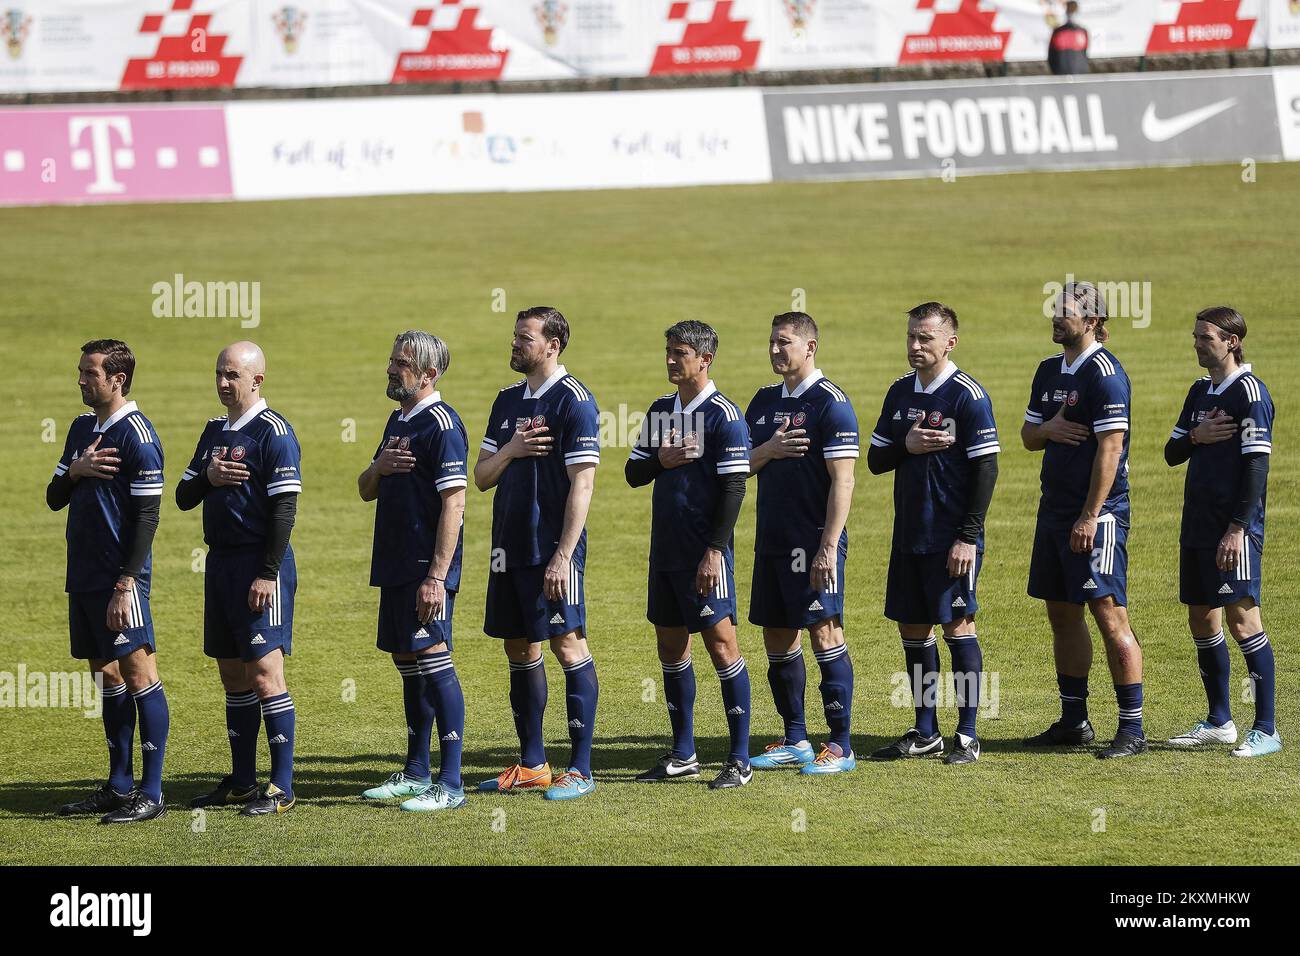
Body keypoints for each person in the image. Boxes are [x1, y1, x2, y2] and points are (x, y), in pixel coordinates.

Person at [473, 307, 601, 801]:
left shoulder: (575, 402)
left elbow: (583, 484)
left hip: (552, 550)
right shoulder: (506, 402)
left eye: (524, 338)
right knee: (519, 645)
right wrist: (513, 449)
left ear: (553, 345)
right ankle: (532, 763)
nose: (514, 344)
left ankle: (582, 769)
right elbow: (482, 477)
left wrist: (563, 555)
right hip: (509, 546)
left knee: (567, 644)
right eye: (514, 336)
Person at [867, 303, 999, 765]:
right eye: (910, 337)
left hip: (952, 540)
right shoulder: (900, 392)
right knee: (912, 628)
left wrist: (968, 535)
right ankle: (925, 731)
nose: (915, 346)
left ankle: (966, 734)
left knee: (958, 626)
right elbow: (876, 459)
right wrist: (908, 444)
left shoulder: (968, 396)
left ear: (950, 342)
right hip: (909, 534)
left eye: (925, 338)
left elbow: (986, 467)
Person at [626, 320, 754, 789]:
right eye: (668, 351)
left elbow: (735, 487)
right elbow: (632, 472)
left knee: (722, 647)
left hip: (705, 556)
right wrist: (663, 459)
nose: (670, 360)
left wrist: (714, 552)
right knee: (670, 648)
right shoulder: (662, 409)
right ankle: (683, 753)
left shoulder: (723, 414)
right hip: (665, 555)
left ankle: (739, 760)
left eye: (680, 353)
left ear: (705, 359)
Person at [1022, 282, 1146, 759]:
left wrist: (1090, 516)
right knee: (1062, 613)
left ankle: (1132, 729)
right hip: (1052, 512)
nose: (1056, 319)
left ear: (1092, 321)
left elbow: (1111, 449)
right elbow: (1029, 436)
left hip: (1097, 516)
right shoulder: (1049, 369)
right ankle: (1074, 721)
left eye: (1066, 313)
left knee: (1109, 614)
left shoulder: (1106, 375)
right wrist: (1047, 429)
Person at [48, 339, 169, 823]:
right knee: (106, 675)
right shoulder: (80, 429)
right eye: (80, 371)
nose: (81, 379)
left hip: (121, 581)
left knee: (139, 674)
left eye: (90, 373)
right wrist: (76, 469)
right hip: (83, 575)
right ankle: (119, 785)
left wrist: (127, 583)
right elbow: (54, 495)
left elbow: (148, 517)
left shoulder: (139, 436)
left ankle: (153, 793)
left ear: (117, 379)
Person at [180, 342, 303, 814]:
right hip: (221, 565)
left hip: (259, 566)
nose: (223, 383)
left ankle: (283, 786)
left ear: (257, 380)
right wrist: (208, 476)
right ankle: (242, 780)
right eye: (219, 373)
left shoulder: (273, 432)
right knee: (232, 673)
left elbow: (285, 507)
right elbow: (184, 496)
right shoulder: (214, 431)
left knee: (265, 674)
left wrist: (267, 574)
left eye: (233, 374)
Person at [358, 331, 470, 811]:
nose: (391, 368)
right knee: (408, 663)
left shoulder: (442, 425)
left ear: (429, 374)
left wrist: (437, 577)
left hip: (427, 570)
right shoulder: (396, 420)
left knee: (435, 662)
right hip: (395, 564)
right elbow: (365, 488)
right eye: (392, 359)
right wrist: (380, 465)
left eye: (401, 363)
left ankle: (451, 783)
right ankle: (416, 771)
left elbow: (456, 503)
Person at [744, 312, 859, 775]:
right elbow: (738, 466)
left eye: (784, 343)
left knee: (824, 632)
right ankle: (795, 738)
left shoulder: (831, 404)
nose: (775, 350)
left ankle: (842, 745)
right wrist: (768, 450)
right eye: (771, 342)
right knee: (776, 633)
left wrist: (829, 546)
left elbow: (844, 480)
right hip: (772, 538)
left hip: (814, 543)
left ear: (810, 347)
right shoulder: (763, 401)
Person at [1164, 307, 1280, 757]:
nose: (1197, 343)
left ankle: (1266, 728)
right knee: (1201, 616)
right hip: (1197, 524)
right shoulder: (1199, 391)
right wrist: (1198, 436)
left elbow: (1257, 464)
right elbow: (1172, 453)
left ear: (1231, 341)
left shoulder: (1250, 393)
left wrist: (1237, 528)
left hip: (1233, 529)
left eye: (1205, 337)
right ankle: (1219, 721)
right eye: (1195, 335)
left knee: (1243, 619)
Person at [1048, 1, 1089, 75]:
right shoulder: (1058, 32)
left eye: (1072, 11)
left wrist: (1082, 70)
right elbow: (1051, 53)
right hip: (1061, 74)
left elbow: (1084, 53)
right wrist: (1056, 70)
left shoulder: (1082, 31)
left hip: (1079, 74)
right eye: (1069, 11)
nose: (1071, 14)